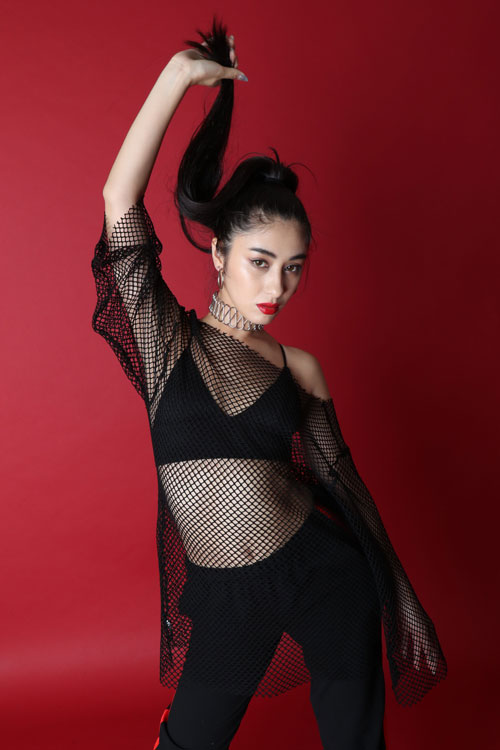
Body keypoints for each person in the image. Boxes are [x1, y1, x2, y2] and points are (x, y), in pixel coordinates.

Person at [91, 16, 447, 750]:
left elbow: (345, 486)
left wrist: (399, 596)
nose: (277, 286)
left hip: (325, 576)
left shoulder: (299, 367)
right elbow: (119, 199)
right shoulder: (167, 341)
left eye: (293, 268)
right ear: (219, 253)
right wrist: (179, 77)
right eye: (260, 262)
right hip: (228, 599)